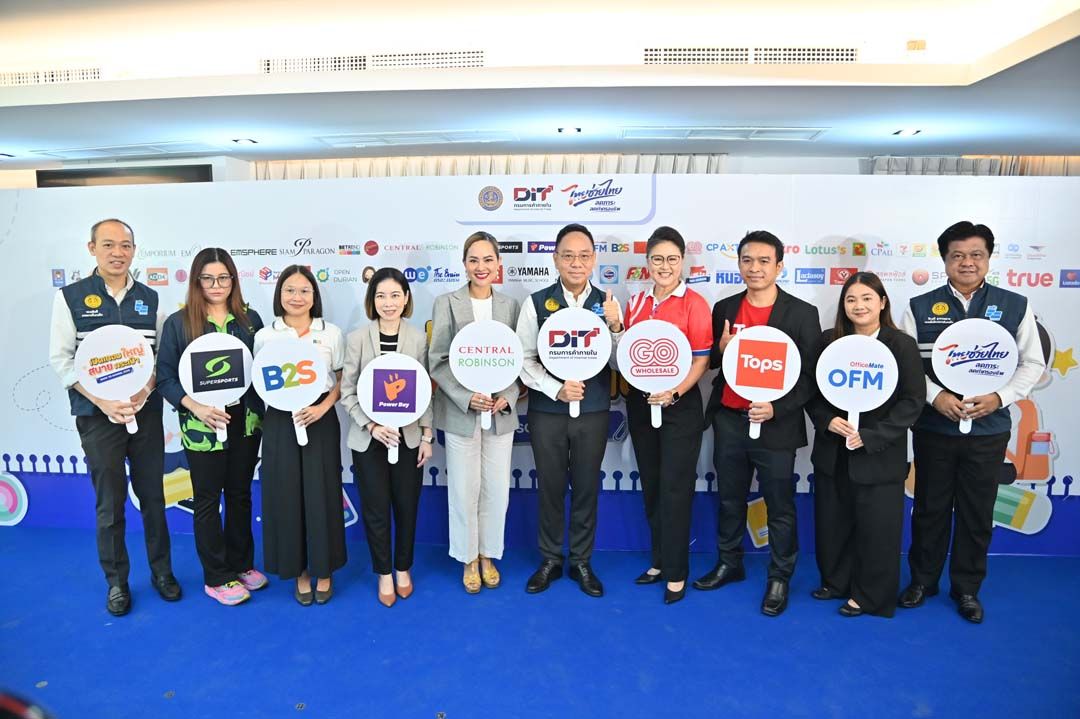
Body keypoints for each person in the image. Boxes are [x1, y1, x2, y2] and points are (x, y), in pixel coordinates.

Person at [898, 221, 1045, 623]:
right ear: (945, 260)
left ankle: (966, 588)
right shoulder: (919, 307)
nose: (967, 262)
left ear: (988, 258)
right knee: (929, 508)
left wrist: (1000, 397)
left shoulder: (1014, 305)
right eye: (958, 255)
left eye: (976, 255)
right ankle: (922, 581)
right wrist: (936, 397)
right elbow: (908, 366)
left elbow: (1033, 363)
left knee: (977, 513)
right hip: (934, 428)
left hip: (988, 430)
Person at [48, 218, 179, 616]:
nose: (117, 253)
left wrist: (144, 391)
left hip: (145, 412)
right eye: (108, 245)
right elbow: (62, 360)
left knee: (153, 497)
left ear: (134, 251)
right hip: (96, 416)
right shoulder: (70, 297)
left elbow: (161, 357)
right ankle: (117, 582)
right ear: (92, 249)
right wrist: (102, 400)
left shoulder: (151, 298)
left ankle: (162, 573)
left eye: (125, 245)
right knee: (110, 504)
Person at [697, 230, 820, 617]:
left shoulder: (801, 314)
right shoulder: (725, 308)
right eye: (747, 260)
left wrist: (777, 408)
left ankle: (780, 576)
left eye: (764, 261)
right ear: (738, 264)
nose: (755, 268)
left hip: (775, 425)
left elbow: (811, 378)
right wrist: (720, 351)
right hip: (730, 420)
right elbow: (713, 363)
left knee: (779, 505)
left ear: (779, 266)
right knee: (730, 498)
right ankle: (728, 562)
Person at [806, 272, 924, 618]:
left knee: (877, 529)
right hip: (833, 451)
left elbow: (913, 402)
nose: (859, 306)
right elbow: (810, 391)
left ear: (882, 302)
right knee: (833, 522)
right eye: (851, 299)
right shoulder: (829, 341)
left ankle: (871, 596)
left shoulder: (901, 345)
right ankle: (836, 581)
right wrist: (827, 419)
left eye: (867, 298)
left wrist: (874, 435)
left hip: (879, 454)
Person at [157, 248, 267, 606]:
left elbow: (263, 370)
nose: (216, 285)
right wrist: (197, 407)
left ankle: (241, 564)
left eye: (223, 277)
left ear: (233, 280)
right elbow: (165, 378)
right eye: (208, 278)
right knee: (207, 500)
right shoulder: (179, 323)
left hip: (245, 423)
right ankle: (217, 577)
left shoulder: (249, 320)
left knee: (240, 495)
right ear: (196, 281)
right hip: (201, 427)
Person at [516, 223, 620, 598]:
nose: (576, 262)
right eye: (568, 255)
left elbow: (620, 364)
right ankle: (550, 559)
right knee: (550, 487)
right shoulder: (536, 302)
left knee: (587, 487)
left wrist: (615, 326)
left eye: (584, 255)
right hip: (548, 412)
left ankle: (581, 561)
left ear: (594, 260)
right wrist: (555, 388)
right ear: (556, 259)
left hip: (593, 411)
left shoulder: (608, 302)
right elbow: (524, 358)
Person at [619, 226, 712, 604]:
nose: (665, 266)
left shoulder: (695, 303)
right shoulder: (636, 302)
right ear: (647, 262)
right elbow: (627, 353)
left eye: (672, 259)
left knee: (675, 488)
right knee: (653, 485)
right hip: (642, 404)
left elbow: (701, 360)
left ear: (682, 262)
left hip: (679, 406)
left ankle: (676, 571)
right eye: (657, 259)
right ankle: (659, 560)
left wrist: (673, 392)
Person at [428, 232, 521, 593]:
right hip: (461, 413)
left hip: (500, 414)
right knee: (463, 490)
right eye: (474, 260)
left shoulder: (511, 306)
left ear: (498, 264)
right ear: (464, 264)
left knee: (496, 490)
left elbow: (521, 360)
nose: (481, 267)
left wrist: (507, 396)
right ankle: (468, 557)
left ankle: (488, 554)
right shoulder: (446, 303)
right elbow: (437, 360)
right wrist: (467, 397)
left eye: (488, 259)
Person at [253, 265, 347, 606]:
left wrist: (323, 408)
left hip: (319, 417)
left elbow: (342, 379)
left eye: (304, 290)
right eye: (290, 290)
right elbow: (260, 382)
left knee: (323, 494)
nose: (297, 297)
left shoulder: (331, 333)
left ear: (314, 296)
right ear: (280, 295)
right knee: (286, 495)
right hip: (280, 420)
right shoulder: (266, 335)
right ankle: (299, 572)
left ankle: (325, 570)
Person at [340, 268, 433, 607]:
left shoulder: (418, 339)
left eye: (395, 295)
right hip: (370, 441)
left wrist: (427, 435)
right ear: (372, 300)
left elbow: (426, 391)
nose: (388, 302)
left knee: (407, 506)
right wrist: (371, 425)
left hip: (408, 439)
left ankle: (403, 568)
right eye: (381, 296)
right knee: (376, 508)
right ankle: (383, 572)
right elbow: (347, 391)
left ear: (406, 298)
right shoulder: (357, 339)